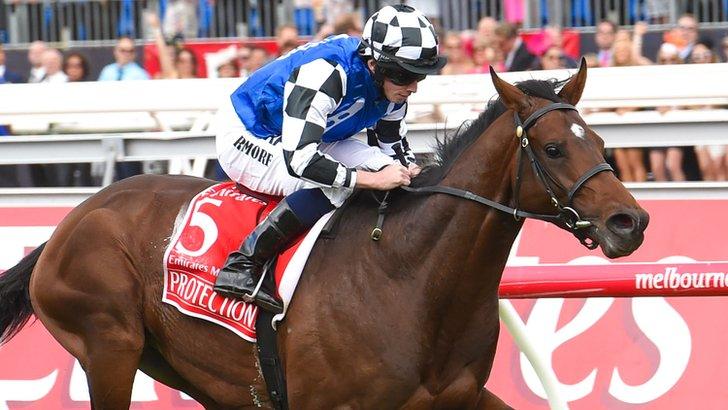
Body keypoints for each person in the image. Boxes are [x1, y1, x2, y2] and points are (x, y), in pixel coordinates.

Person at [213, 4, 446, 313]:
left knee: (388, 169)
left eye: (420, 77)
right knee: (334, 185)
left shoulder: (391, 85)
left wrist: (406, 171)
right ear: (375, 64)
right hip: (249, 132)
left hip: (311, 134)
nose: (413, 87)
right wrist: (371, 180)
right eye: (407, 76)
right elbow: (301, 161)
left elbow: (392, 145)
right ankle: (243, 264)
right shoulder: (326, 73)